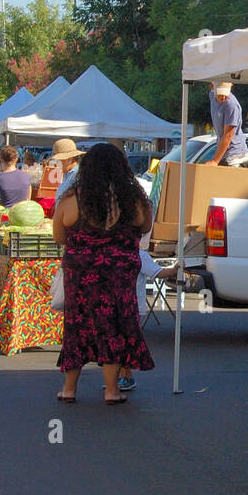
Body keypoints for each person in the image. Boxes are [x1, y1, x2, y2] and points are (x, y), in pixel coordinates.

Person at [52, 143, 155, 404]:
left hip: (81, 275)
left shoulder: (71, 200)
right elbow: (144, 228)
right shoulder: (134, 200)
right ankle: (112, 390)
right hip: (119, 275)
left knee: (77, 326)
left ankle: (69, 389)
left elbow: (59, 236)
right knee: (113, 327)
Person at [208, 82, 248, 166]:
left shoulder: (231, 105)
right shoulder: (212, 95)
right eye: (220, 94)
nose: (223, 97)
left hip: (236, 155)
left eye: (225, 93)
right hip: (225, 153)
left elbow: (228, 135)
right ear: (212, 87)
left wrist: (215, 161)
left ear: (231, 86)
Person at [50, 139, 84, 207]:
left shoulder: (78, 175)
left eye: (59, 160)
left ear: (69, 159)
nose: (56, 164)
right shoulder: (66, 174)